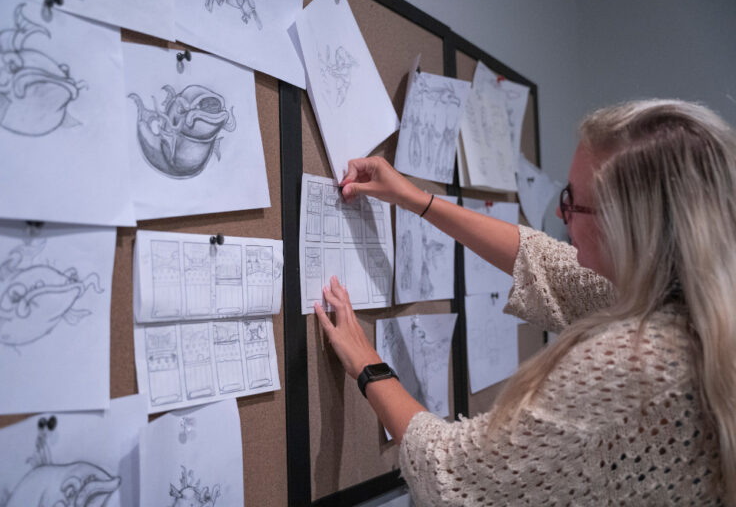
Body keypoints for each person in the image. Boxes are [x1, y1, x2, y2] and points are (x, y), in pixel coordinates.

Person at [314, 100, 733, 505]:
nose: (562, 216)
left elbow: (456, 477)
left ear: (627, 227)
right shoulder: (695, 314)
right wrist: (416, 200)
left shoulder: (636, 363)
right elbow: (545, 263)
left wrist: (368, 366)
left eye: (572, 201)